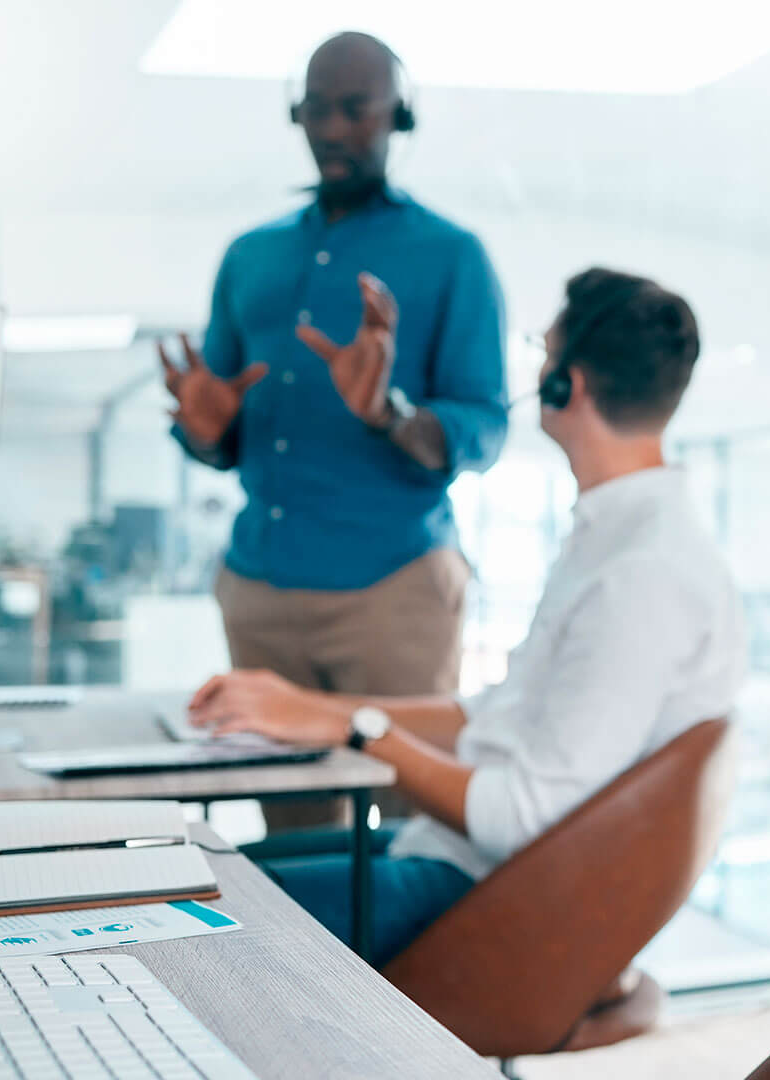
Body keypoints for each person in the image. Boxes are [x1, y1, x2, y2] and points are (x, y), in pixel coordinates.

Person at [185, 269, 745, 967]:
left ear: (562, 383)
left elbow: (521, 818)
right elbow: (493, 716)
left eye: (545, 351)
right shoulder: (619, 536)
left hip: (489, 893)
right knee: (204, 865)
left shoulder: (643, 573)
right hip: (457, 858)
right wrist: (305, 705)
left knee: (182, 907)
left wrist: (354, 729)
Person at [158, 31, 507, 832]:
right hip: (259, 589)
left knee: (412, 821)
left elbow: (483, 429)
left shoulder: (453, 257)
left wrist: (387, 410)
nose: (334, 129)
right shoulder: (249, 257)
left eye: (356, 108)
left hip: (392, 593)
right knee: (294, 832)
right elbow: (223, 427)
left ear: (400, 116)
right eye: (316, 109)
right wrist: (207, 433)